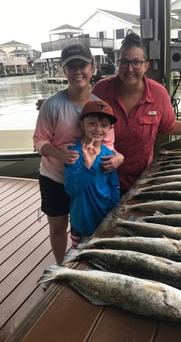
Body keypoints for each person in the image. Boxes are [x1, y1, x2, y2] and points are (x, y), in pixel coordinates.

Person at [92, 31, 181, 193]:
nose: (130, 68)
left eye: (136, 62)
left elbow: (168, 126)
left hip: (141, 179)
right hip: (102, 176)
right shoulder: (101, 90)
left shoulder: (158, 93)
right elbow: (84, 125)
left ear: (146, 65)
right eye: (124, 62)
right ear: (118, 63)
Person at [33, 44, 123, 264]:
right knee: (57, 225)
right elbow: (39, 141)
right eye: (70, 66)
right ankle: (60, 265)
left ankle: (87, 264)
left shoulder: (100, 107)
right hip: (55, 176)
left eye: (82, 65)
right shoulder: (52, 105)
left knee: (88, 223)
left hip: (88, 178)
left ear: (92, 68)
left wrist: (119, 157)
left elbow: (108, 144)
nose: (77, 71)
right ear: (64, 71)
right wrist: (58, 154)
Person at [64, 100, 120, 248]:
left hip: (103, 216)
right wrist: (87, 166)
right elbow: (71, 189)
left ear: (110, 128)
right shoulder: (73, 153)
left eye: (104, 125)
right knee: (79, 257)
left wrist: (111, 212)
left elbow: (114, 185)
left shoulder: (109, 155)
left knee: (102, 252)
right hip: (81, 220)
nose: (98, 129)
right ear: (82, 125)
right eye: (92, 123)